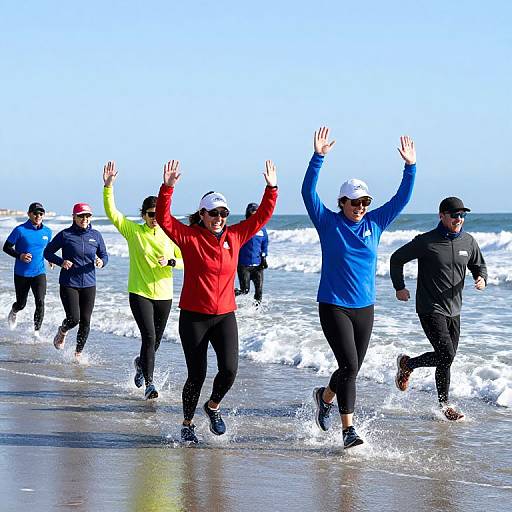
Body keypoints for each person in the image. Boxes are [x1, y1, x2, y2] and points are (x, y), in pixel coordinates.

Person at [302, 126, 416, 449]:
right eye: (354, 202)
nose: (361, 206)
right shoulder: (328, 222)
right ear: (342, 202)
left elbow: (402, 199)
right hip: (333, 304)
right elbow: (307, 193)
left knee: (349, 369)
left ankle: (324, 398)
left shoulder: (375, 223)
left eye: (365, 201)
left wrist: (410, 168)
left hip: (365, 307)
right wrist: (318, 158)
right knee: (350, 366)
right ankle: (348, 430)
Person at [156, 159, 278, 443]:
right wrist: (168, 188)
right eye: (214, 213)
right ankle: (187, 423)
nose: (220, 217)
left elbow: (262, 217)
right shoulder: (189, 237)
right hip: (194, 317)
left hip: (224, 315)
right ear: (202, 213)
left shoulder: (235, 236)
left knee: (230, 370)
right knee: (196, 374)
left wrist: (271, 188)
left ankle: (212, 407)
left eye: (224, 212)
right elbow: (164, 219)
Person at [390, 197, 487, 421]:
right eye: (454, 215)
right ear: (441, 216)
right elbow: (397, 259)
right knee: (447, 354)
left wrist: (481, 277)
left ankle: (408, 365)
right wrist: (399, 287)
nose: (459, 219)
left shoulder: (468, 242)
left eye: (462, 215)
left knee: (446, 359)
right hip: (430, 307)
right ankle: (444, 404)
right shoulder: (426, 242)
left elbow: (478, 265)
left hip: (454, 309)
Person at [102, 160, 183, 400]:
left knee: (155, 341)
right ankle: (150, 383)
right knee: (148, 337)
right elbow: (112, 213)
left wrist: (170, 262)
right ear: (143, 214)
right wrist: (108, 187)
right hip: (139, 292)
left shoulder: (171, 234)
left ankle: (140, 364)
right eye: (150, 214)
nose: (154, 218)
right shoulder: (133, 232)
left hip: (164, 295)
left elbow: (185, 260)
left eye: (157, 214)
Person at [44, 202, 108, 360]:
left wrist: (102, 262)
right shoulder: (65, 235)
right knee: (74, 318)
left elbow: (104, 255)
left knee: (86, 321)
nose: (84, 219)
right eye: (81, 216)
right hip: (69, 283)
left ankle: (78, 354)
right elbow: (48, 252)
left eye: (87, 216)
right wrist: (61, 262)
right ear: (74, 217)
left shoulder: (96, 235)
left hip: (89, 284)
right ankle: (63, 330)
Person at [3, 202, 52, 336]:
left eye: (41, 213)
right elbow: (6, 248)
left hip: (39, 272)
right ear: (29, 214)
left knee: (40, 302)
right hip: (22, 273)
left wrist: (50, 259)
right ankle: (14, 311)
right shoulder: (20, 230)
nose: (38, 216)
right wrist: (20, 255)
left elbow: (47, 249)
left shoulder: (47, 231)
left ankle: (36, 332)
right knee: (21, 303)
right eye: (35, 213)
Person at [234, 202, 269, 304]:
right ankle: (229, 295)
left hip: (258, 265)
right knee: (245, 290)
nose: (254, 217)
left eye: (256, 214)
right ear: (247, 214)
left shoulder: (262, 229)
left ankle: (256, 314)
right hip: (244, 265)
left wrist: (264, 257)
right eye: (251, 214)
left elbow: (264, 244)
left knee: (259, 292)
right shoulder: (242, 226)